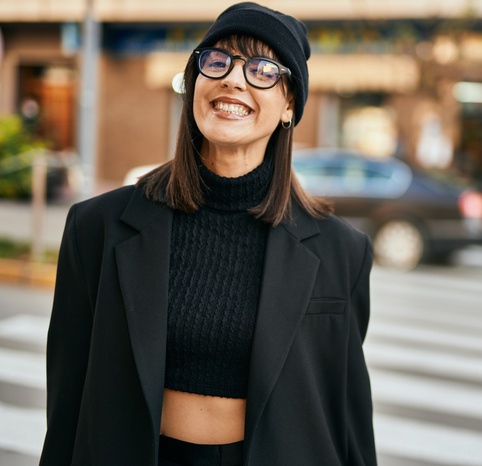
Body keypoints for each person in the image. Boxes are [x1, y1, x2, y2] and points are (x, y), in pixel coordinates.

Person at [39, 3, 377, 465]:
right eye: (217, 61)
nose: (234, 79)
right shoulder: (96, 228)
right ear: (194, 83)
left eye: (263, 70)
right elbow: (66, 403)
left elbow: (348, 415)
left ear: (290, 105)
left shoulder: (342, 251)